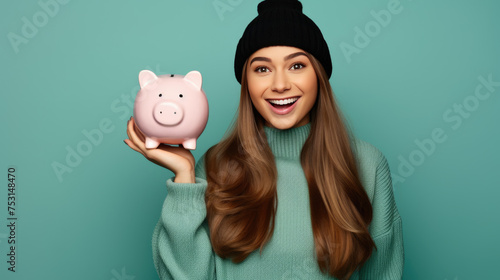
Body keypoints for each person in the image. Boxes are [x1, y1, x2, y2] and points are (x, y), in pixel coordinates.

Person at [124, 0, 404, 279]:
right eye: (262, 69)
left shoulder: (367, 165)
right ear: (247, 82)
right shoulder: (214, 167)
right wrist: (184, 177)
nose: (280, 84)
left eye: (296, 66)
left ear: (319, 76)